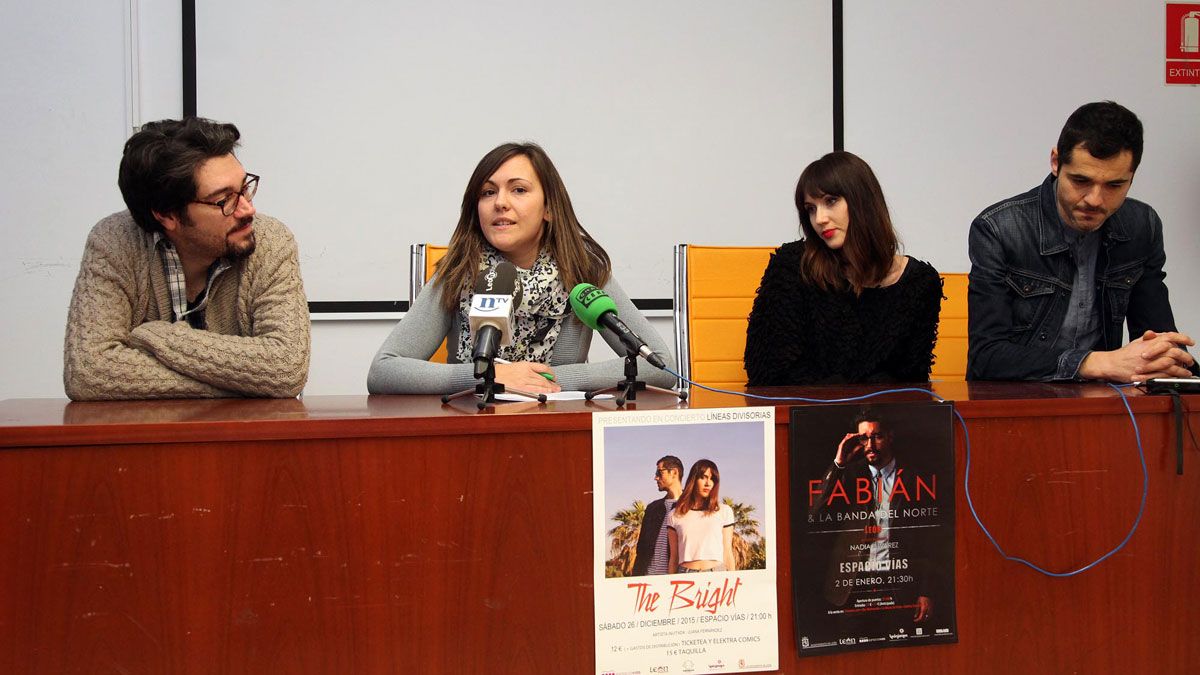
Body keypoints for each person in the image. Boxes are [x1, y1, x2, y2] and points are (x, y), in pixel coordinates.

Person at [367, 142, 674, 394]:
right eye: (488, 192)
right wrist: (492, 376)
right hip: (470, 429)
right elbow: (384, 370)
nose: (500, 202)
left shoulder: (583, 272)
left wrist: (543, 381)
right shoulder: (459, 271)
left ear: (549, 208)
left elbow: (657, 364)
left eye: (518, 190)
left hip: (554, 430)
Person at [63, 118, 310, 400]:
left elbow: (285, 369)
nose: (247, 209)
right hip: (148, 437)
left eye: (244, 188)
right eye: (224, 199)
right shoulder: (114, 241)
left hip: (246, 436)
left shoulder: (271, 240)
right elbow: (88, 373)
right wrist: (242, 384)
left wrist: (157, 337)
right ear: (167, 214)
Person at [967, 101, 1197, 382]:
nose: (1095, 200)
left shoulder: (1142, 226)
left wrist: (1167, 358)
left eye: (1114, 185)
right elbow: (987, 357)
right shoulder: (998, 228)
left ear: (1132, 177)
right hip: (1016, 401)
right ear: (1055, 162)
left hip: (1100, 403)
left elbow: (1157, 334)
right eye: (1081, 180)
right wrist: (1097, 362)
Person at [743, 151, 942, 386]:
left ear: (862, 201)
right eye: (811, 209)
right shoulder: (793, 265)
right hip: (806, 416)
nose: (819, 219)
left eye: (830, 201)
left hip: (883, 418)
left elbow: (912, 382)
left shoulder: (919, 283)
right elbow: (767, 370)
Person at [808, 410, 935, 623]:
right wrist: (839, 463)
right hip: (853, 586)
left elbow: (932, 539)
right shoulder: (848, 474)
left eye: (877, 436)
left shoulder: (915, 477)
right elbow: (815, 513)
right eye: (864, 438)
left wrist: (927, 591)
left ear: (890, 436)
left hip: (900, 587)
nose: (870, 445)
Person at [666, 459, 736, 573]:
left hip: (717, 574)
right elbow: (674, 558)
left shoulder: (724, 511)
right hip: (685, 575)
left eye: (712, 479)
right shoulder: (674, 515)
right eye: (703, 477)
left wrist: (733, 582)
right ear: (694, 479)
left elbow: (728, 552)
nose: (708, 483)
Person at [632, 455, 684, 576]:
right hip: (647, 580)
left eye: (659, 472)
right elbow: (641, 550)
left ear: (674, 472)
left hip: (676, 582)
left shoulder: (691, 507)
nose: (656, 478)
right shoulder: (652, 508)